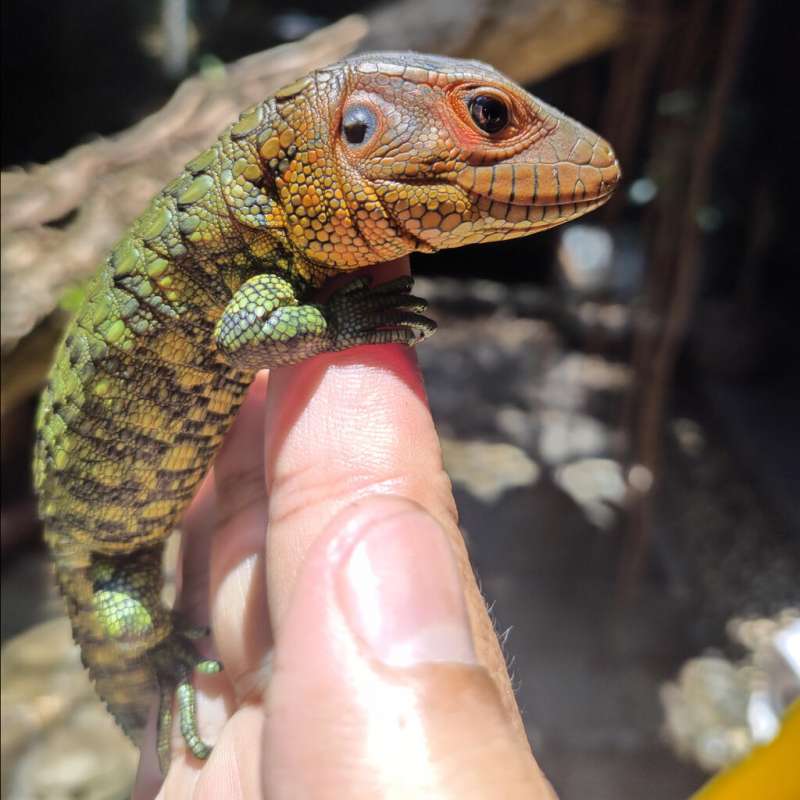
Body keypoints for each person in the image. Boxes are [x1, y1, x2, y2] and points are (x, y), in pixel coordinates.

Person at [132, 259, 556, 799]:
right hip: (108, 524)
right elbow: (242, 336)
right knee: (127, 602)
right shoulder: (261, 256)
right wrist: (334, 323)